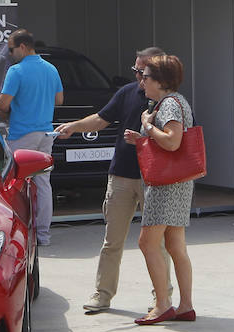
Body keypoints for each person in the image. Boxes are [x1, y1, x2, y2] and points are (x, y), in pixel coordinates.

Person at [56, 47, 173, 313]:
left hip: (152, 179)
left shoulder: (169, 101)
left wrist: (146, 138)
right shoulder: (126, 93)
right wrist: (73, 127)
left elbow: (175, 140)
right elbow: (100, 119)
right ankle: (102, 294)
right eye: (135, 70)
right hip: (121, 175)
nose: (137, 76)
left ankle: (162, 297)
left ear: (155, 72)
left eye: (141, 71)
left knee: (157, 243)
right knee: (112, 241)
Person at [124, 54, 196, 324]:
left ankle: (163, 304)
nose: (142, 80)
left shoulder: (168, 105)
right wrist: (144, 138)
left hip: (166, 185)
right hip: (179, 182)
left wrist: (146, 127)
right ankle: (185, 305)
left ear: (161, 81)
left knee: (147, 242)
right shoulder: (177, 101)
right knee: (176, 245)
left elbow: (172, 142)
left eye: (146, 76)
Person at [0, 29, 63, 246]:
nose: (10, 53)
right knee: (44, 184)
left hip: (21, 135)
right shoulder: (51, 69)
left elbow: (3, 104)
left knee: (13, 182)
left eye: (11, 49)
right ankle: (44, 235)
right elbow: (59, 100)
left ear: (23, 47)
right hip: (46, 132)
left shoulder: (16, 71)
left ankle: (16, 231)